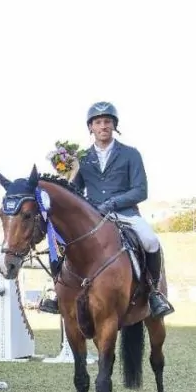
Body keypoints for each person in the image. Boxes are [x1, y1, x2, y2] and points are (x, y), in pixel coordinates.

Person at [38, 101, 174, 318]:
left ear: (114, 125)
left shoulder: (131, 154)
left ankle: (154, 293)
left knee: (150, 240)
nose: (103, 126)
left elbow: (140, 190)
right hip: (93, 217)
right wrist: (70, 173)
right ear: (90, 127)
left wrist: (111, 204)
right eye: (98, 122)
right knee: (60, 241)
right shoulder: (82, 158)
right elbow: (74, 191)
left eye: (107, 121)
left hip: (125, 213)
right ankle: (56, 292)